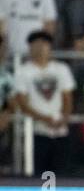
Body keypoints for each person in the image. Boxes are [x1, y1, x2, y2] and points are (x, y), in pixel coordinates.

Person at [12, 30, 75, 175]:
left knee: (61, 174)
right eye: (37, 44)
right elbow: (22, 103)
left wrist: (64, 118)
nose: (41, 47)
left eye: (44, 43)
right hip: (37, 130)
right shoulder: (23, 71)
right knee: (39, 173)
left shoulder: (61, 69)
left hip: (60, 130)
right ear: (30, 47)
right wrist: (45, 119)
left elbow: (68, 97)